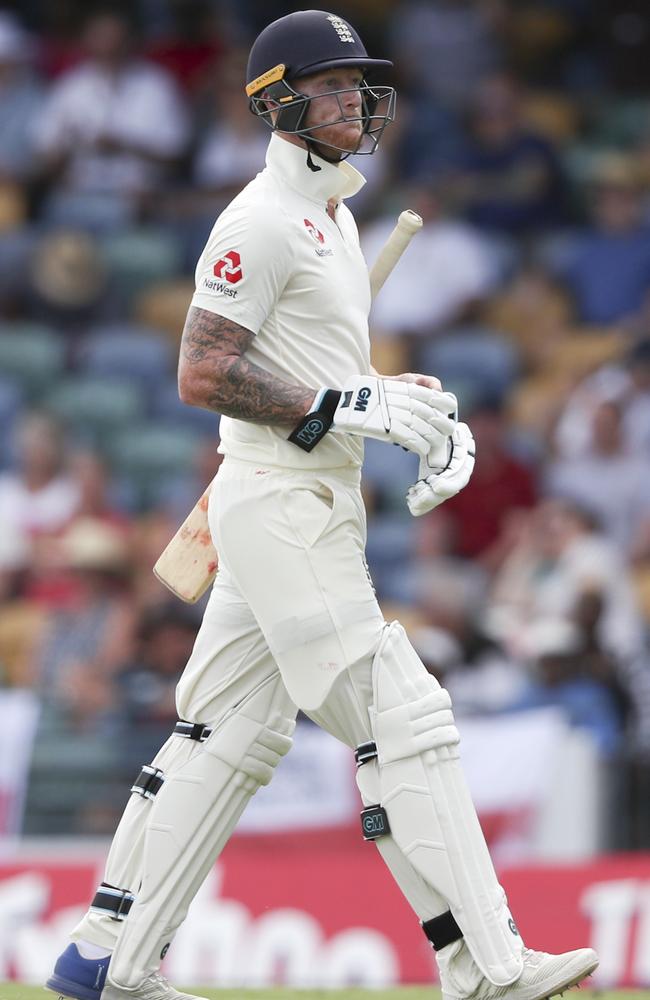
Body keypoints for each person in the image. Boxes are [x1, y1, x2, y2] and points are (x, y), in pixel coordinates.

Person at [46, 12, 597, 1000]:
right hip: (280, 503)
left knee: (227, 735)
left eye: (358, 84)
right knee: (405, 715)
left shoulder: (335, 217)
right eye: (332, 84)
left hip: (301, 497)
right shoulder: (258, 219)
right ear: (275, 101)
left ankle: (105, 958)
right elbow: (202, 368)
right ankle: (485, 963)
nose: (354, 100)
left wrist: (395, 393)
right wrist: (349, 403)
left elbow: (318, 370)